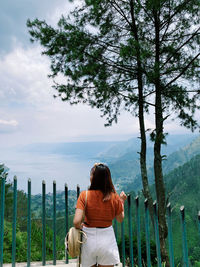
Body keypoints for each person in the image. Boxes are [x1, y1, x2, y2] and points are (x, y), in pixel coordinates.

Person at [73, 163, 127, 267]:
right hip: (107, 238)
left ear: (93, 178)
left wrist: (80, 227)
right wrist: (121, 202)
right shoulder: (114, 197)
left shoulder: (85, 195)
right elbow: (120, 219)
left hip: (88, 239)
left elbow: (76, 221)